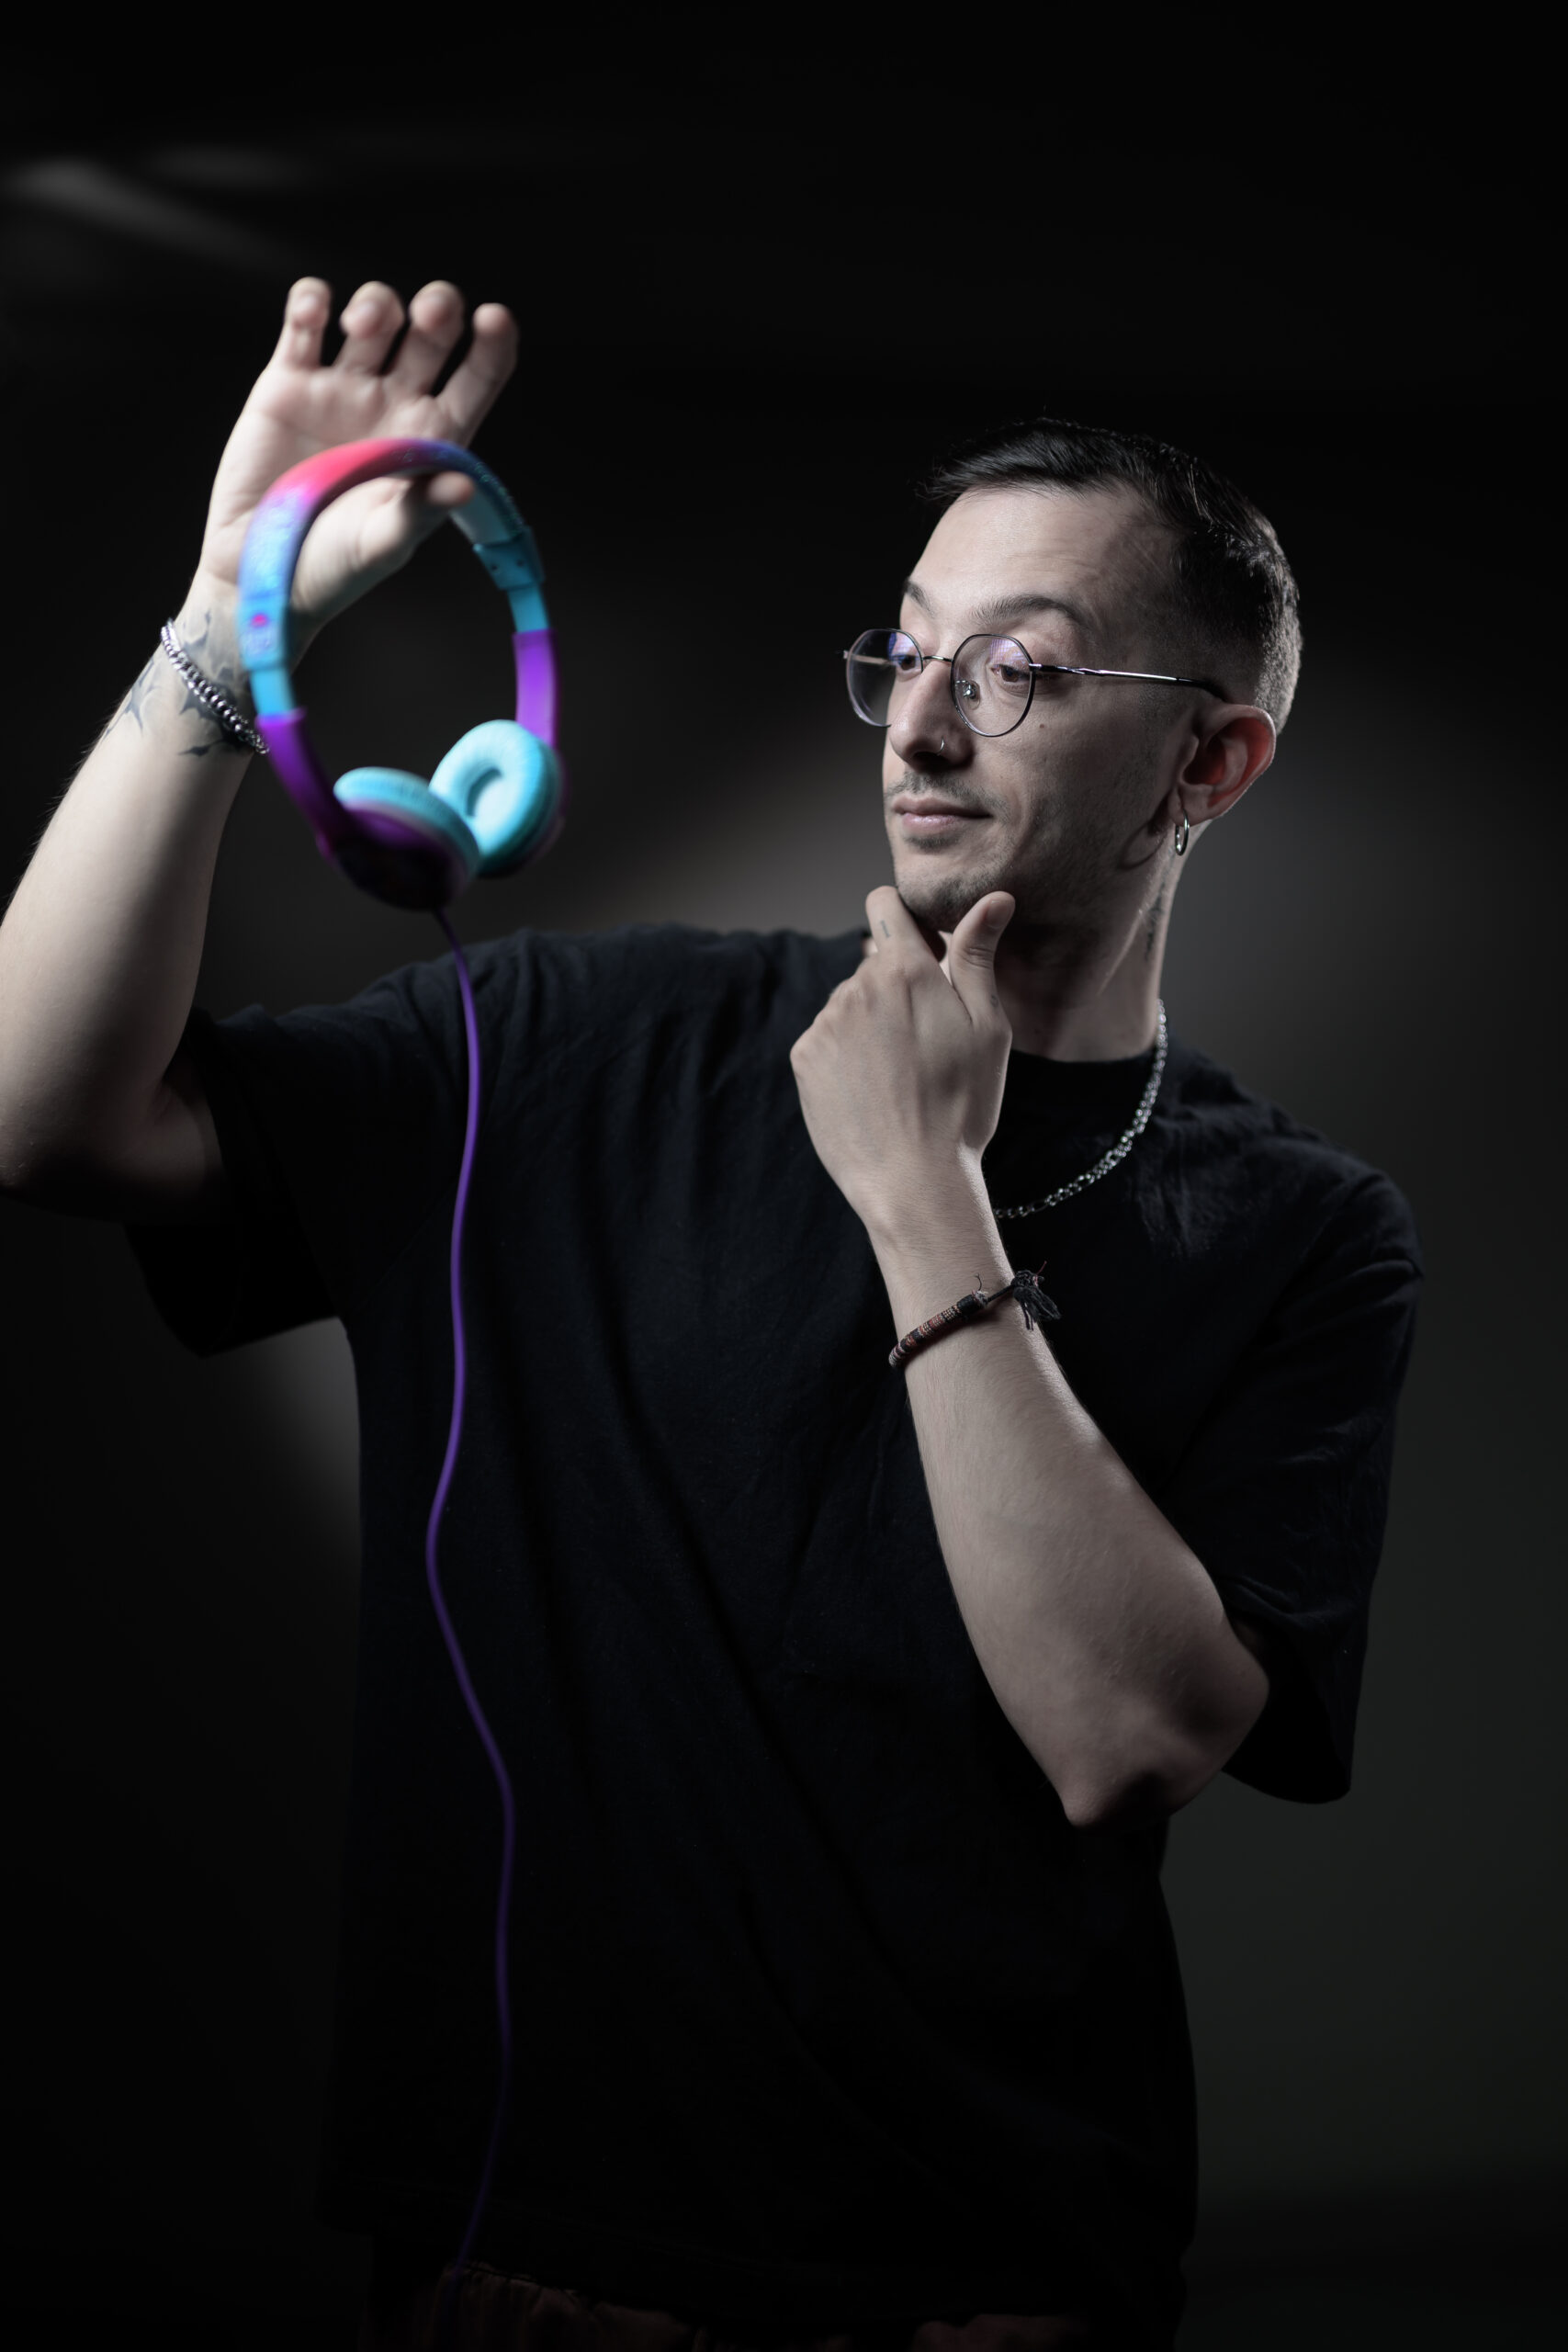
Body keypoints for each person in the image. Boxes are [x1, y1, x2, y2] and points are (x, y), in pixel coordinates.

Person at [0, 277, 1421, 2352]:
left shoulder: (1303, 1231)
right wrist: (231, 625)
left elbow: (1129, 1736)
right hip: (530, 2269)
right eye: (906, 652)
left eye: (1016, 670)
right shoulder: (581, 1043)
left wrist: (921, 1194)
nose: (920, 727)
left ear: (1209, 758)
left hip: (991, 2295)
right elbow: (48, 1112)